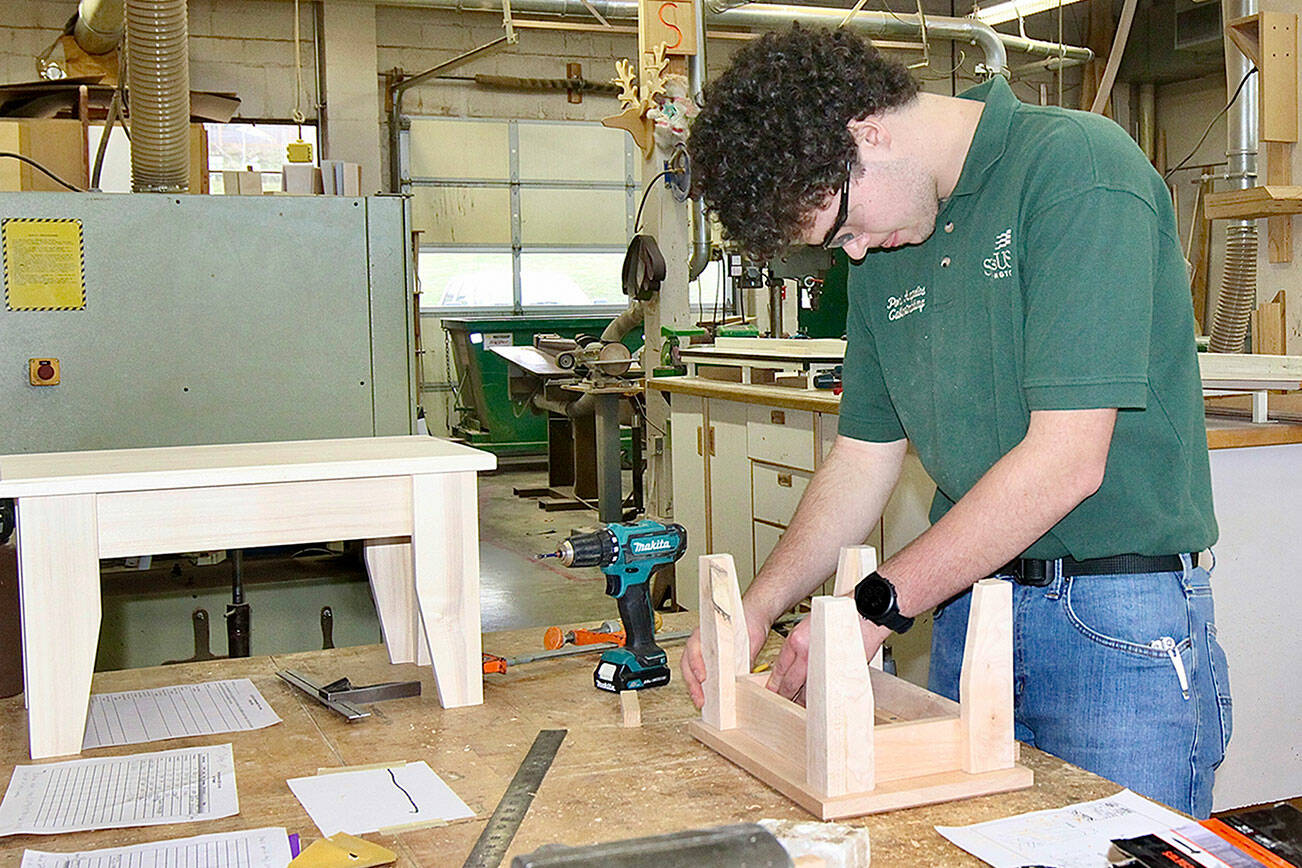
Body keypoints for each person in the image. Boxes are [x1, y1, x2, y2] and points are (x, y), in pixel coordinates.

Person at [680, 24, 1231, 818]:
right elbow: (861, 459)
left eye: (843, 230)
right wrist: (759, 608)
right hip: (970, 610)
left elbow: (1066, 461)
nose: (858, 255)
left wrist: (874, 603)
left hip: (1114, 630)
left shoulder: (1076, 170)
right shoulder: (892, 238)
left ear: (865, 133)